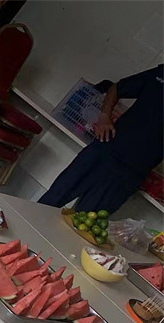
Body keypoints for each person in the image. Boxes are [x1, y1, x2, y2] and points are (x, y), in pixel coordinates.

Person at [38, 64, 163, 213]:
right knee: (50, 201)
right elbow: (117, 88)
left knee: (86, 220)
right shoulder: (160, 74)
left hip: (130, 172)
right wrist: (104, 116)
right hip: (105, 148)